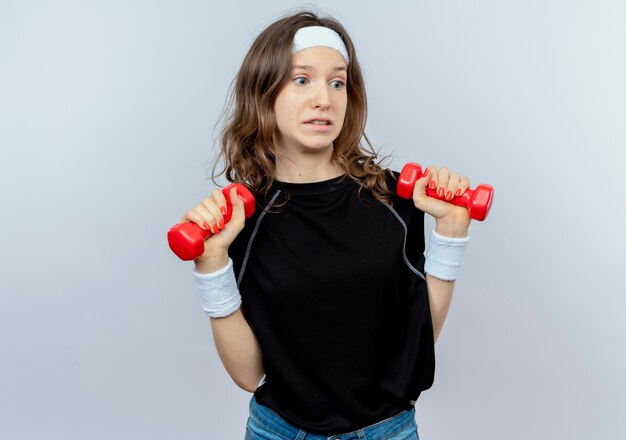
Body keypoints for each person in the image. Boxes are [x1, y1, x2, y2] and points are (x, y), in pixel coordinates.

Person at [180, 10, 474, 440]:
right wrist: (211, 263)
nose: (325, 99)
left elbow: (415, 341)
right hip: (280, 432)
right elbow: (248, 374)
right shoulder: (240, 220)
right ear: (264, 93)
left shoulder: (394, 198)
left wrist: (451, 231)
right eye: (302, 80)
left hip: (387, 431)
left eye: (337, 82)